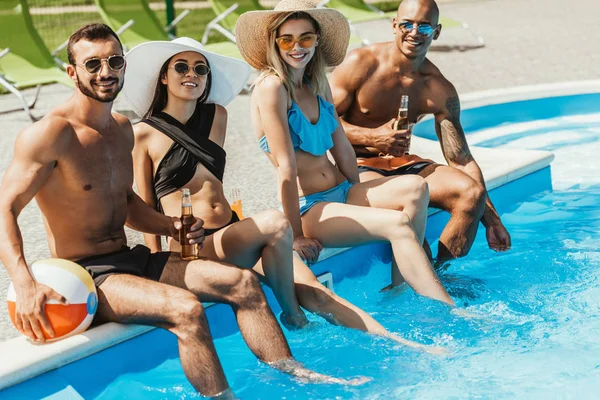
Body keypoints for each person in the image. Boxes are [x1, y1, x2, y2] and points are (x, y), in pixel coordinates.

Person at [0, 24, 354, 399]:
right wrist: (24, 282)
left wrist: (170, 226)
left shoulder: (120, 129)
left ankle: (295, 374)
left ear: (124, 67)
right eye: (93, 64)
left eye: (114, 61)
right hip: (90, 272)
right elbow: (6, 208)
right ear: (72, 72)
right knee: (186, 310)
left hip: (132, 259)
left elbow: (129, 204)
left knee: (244, 284)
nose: (105, 72)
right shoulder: (50, 134)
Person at [125, 37, 438, 347]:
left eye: (200, 69)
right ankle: (295, 319)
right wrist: (161, 268)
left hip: (233, 232)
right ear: (164, 76)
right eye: (181, 67)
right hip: (198, 245)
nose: (191, 74)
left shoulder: (216, 117)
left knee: (317, 292)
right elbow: (147, 207)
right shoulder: (143, 134)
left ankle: (405, 345)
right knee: (276, 224)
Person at [235, 0, 454, 306]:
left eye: (306, 38)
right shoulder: (272, 88)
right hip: (311, 207)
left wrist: (359, 189)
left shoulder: (316, 83)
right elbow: (286, 168)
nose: (297, 47)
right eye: (287, 39)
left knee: (416, 188)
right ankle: (447, 308)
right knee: (397, 224)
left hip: (343, 189)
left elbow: (342, 149)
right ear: (274, 42)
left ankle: (400, 289)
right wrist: (295, 236)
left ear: (317, 40)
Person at [330, 0, 511, 260]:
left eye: (424, 27)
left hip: (404, 165)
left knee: (472, 193)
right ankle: (425, 277)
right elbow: (319, 124)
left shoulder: (437, 88)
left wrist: (492, 220)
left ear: (436, 33)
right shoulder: (361, 63)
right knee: (404, 208)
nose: (414, 33)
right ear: (394, 25)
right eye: (407, 24)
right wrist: (373, 137)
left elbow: (461, 160)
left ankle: (442, 272)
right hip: (358, 166)